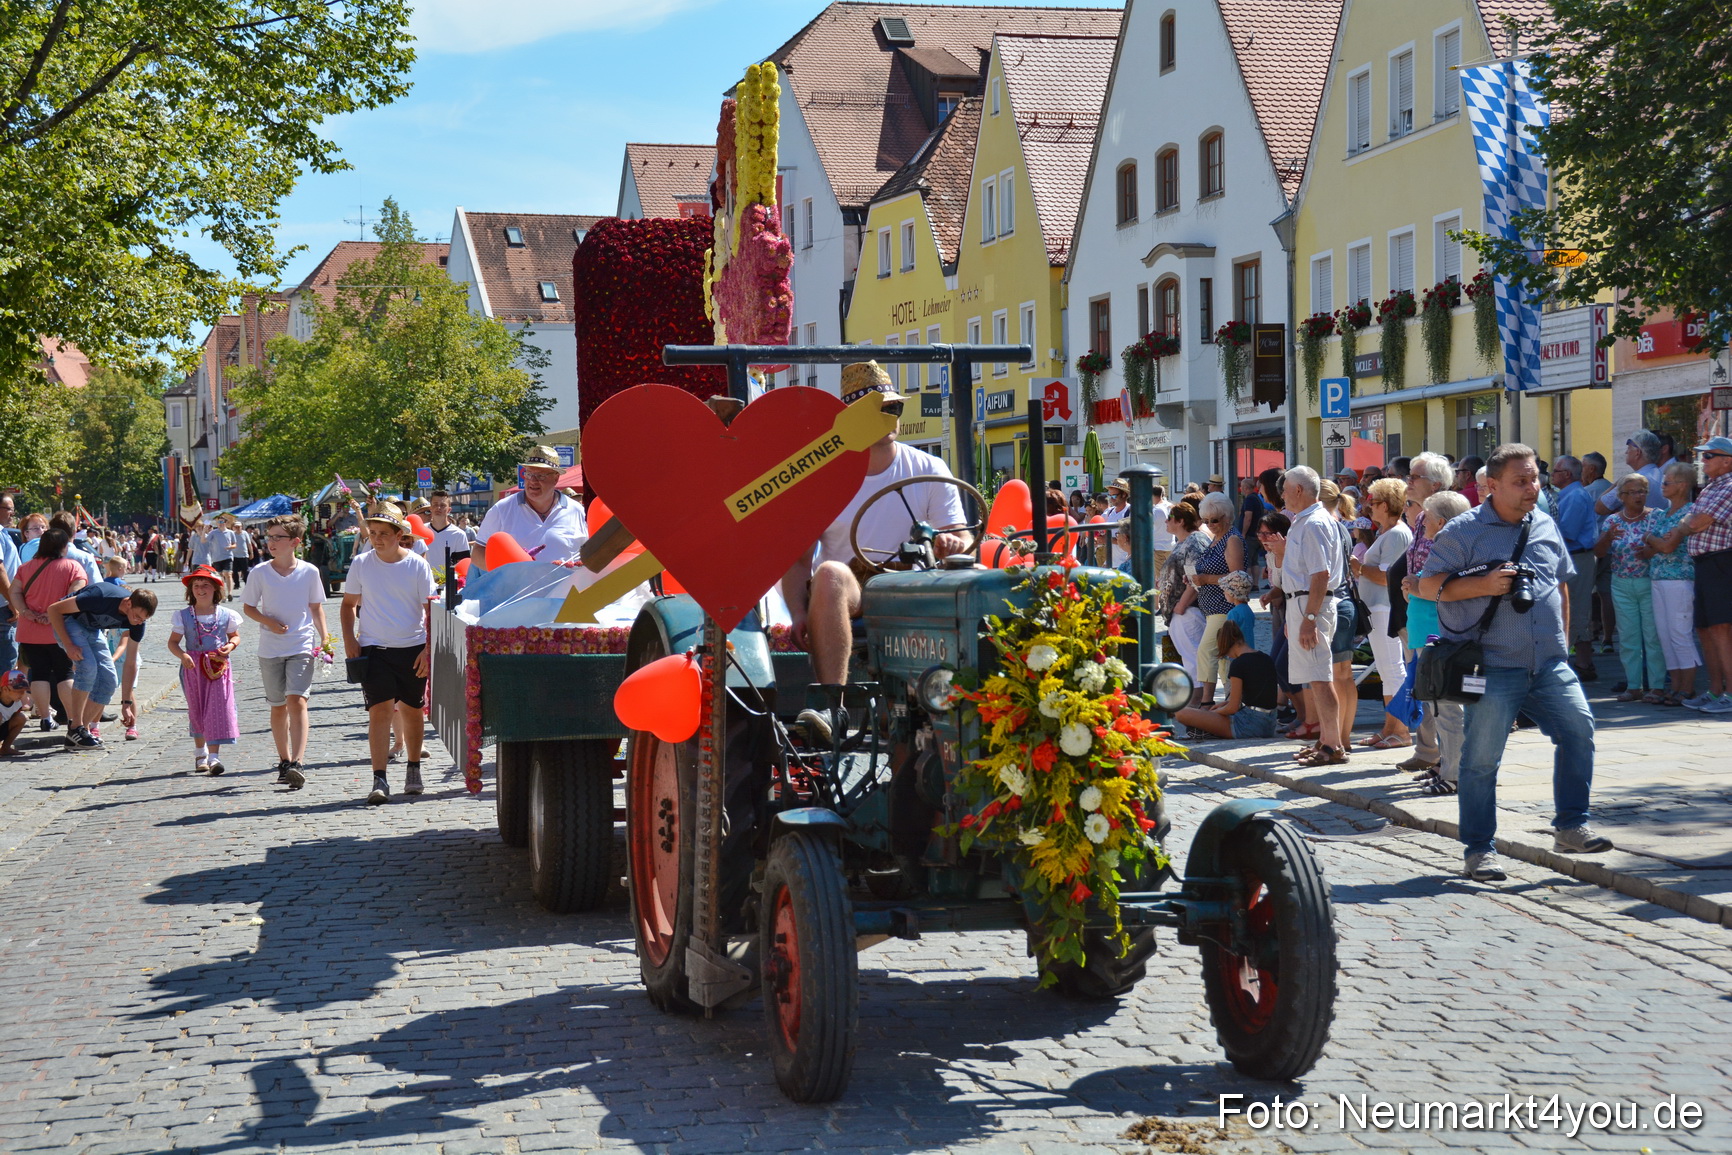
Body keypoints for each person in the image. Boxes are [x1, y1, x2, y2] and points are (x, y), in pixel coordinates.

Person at [1419, 442, 1610, 883]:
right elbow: (1427, 585)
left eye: (1535, 479)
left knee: (1579, 730)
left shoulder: (1544, 522)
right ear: (1491, 486)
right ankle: (1479, 851)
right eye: (1520, 481)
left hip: (1547, 662)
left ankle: (1570, 826)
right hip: (1493, 664)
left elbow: (1560, 584)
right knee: (1482, 760)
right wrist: (1485, 584)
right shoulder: (1464, 530)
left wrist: (1562, 643)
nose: (1531, 488)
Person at [782, 364, 969, 737]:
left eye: (894, 408)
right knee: (830, 573)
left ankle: (955, 708)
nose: (891, 418)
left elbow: (961, 539)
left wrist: (951, 543)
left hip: (913, 586)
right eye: (880, 410)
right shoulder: (822, 477)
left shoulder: (929, 468)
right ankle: (832, 708)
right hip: (853, 588)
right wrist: (800, 612)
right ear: (854, 420)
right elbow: (798, 561)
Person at [342, 505, 436, 804]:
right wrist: (349, 640)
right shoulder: (361, 563)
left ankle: (413, 767)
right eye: (373, 533)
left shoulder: (417, 566)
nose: (377, 539)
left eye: (384, 533)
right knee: (379, 712)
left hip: (411, 648)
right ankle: (379, 778)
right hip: (374, 648)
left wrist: (428, 649)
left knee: (411, 710)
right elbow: (347, 605)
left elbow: (430, 609)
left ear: (400, 535)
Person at [242, 515, 328, 789]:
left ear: (295, 542)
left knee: (297, 701)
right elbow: (249, 607)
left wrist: (325, 638)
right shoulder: (259, 572)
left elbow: (316, 607)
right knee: (278, 706)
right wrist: (270, 623)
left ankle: (298, 762)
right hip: (270, 648)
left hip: (301, 644)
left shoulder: (309, 572)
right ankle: (284, 760)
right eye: (269, 537)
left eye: (277, 538)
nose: (271, 543)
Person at [1271, 467, 1348, 766]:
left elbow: (1320, 574)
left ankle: (1333, 744)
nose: (1283, 494)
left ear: (1299, 490)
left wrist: (1309, 618)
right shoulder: (1306, 521)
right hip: (1302, 603)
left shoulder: (1314, 522)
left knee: (1320, 677)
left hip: (1310, 603)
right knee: (1315, 678)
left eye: (1286, 489)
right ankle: (1326, 739)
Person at [45, 580, 156, 750]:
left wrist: (126, 703)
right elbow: (54, 609)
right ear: (128, 603)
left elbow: (131, 661)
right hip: (69, 621)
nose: (139, 622)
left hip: (91, 629)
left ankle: (78, 734)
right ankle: (75, 726)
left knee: (109, 679)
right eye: (137, 617)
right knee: (88, 667)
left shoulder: (138, 623)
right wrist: (68, 645)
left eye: (144, 619)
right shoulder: (100, 596)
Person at [1350, 477, 1413, 749]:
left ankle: (1400, 730)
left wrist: (1359, 567)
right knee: (1389, 670)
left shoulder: (1397, 533)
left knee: (1393, 670)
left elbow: (1387, 576)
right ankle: (1390, 727)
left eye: (1373, 502)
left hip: (1386, 607)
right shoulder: (1388, 532)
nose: (1368, 507)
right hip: (1378, 608)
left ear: (1386, 505)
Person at [9, 527, 85, 739]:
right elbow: (76, 596)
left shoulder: (26, 568)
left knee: (39, 673)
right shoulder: (72, 567)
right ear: (63, 546)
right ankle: (73, 720)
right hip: (59, 630)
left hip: (30, 629)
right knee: (65, 674)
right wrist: (52, 615)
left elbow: (14, 591)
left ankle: (45, 717)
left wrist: (25, 612)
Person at [1594, 474, 1664, 702]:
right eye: (1633, 492)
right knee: (1628, 638)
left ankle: (1657, 687)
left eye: (1642, 491)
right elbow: (1599, 552)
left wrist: (1651, 550)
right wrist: (1606, 537)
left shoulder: (1656, 517)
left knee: (1653, 637)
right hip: (1621, 583)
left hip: (1649, 582)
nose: (1639, 496)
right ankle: (1634, 686)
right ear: (1622, 496)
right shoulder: (1613, 521)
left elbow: (1666, 547)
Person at [165, 565, 240, 775]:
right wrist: (183, 655)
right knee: (196, 709)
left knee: (218, 708)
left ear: (216, 588)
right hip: (193, 668)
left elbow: (235, 636)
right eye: (196, 586)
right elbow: (173, 642)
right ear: (191, 591)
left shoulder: (226, 614)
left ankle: (215, 757)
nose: (201, 589)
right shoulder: (184, 616)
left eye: (205, 585)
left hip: (218, 667)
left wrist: (230, 645)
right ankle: (201, 753)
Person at [1640, 461, 1702, 707]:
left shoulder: (1689, 512)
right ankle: (1675, 686)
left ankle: (1687, 687)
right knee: (1665, 634)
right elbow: (1648, 551)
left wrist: (1651, 539)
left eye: (1667, 482)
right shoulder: (1661, 514)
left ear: (1682, 485)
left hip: (1679, 579)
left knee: (1679, 633)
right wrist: (1655, 541)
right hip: (1658, 577)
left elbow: (1666, 546)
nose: (1662, 486)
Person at [1680, 435, 1732, 712]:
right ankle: (1715, 690)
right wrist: (1689, 522)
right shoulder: (1713, 487)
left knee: (1721, 629)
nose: (1703, 460)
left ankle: (1730, 695)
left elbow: (1695, 522)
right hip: (1705, 564)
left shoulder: (1729, 486)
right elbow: (1691, 523)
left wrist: (1689, 522)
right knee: (1705, 628)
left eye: (1709, 456)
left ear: (1728, 461)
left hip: (1722, 563)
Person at [475, 446, 588, 565]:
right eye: (529, 474)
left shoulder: (577, 511)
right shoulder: (502, 509)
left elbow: (589, 554)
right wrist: (507, 571)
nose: (533, 480)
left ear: (556, 478)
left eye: (540, 476)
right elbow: (478, 553)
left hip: (566, 583)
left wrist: (578, 567)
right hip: (519, 584)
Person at [1172, 620, 1277, 740]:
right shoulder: (1266, 658)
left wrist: (1210, 714)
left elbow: (1233, 707)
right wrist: (1222, 705)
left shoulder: (1238, 664)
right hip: (1269, 723)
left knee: (1181, 713)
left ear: (1229, 645)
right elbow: (1257, 696)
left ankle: (1206, 729)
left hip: (1248, 724)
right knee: (1215, 710)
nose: (1229, 656)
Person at [1189, 492, 1245, 706]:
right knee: (1222, 657)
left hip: (1225, 606)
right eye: (1206, 521)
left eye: (1215, 520)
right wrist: (1195, 579)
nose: (1210, 524)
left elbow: (1237, 577)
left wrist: (1206, 578)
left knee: (1206, 651)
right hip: (1211, 608)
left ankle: (1206, 700)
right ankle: (1230, 699)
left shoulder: (1231, 539)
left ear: (1227, 517)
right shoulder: (1217, 538)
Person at [1550, 455, 1600, 682]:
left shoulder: (1576, 496)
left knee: (1578, 609)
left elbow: (1566, 532)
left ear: (1567, 475)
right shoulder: (1569, 494)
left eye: (1556, 471)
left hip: (1577, 558)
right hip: (1573, 557)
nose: (1552, 475)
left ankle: (1583, 662)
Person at [1157, 503, 1211, 677]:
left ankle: (1199, 700)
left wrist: (1181, 605)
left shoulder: (1194, 541)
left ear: (1180, 521)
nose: (1166, 521)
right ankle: (1194, 699)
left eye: (1170, 518)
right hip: (1180, 612)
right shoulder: (1183, 542)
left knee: (1193, 659)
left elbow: (1196, 577)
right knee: (1188, 659)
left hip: (1188, 610)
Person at [1598, 429, 1665, 514]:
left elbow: (1600, 507)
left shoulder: (1632, 482)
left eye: (1629, 447)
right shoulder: (1664, 477)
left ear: (1637, 452)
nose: (1626, 452)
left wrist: (1617, 483)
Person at [426, 489, 471, 572]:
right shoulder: (422, 531)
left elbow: (463, 564)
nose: (438, 508)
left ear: (449, 510)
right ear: (430, 508)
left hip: (448, 582)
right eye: (435, 504)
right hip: (424, 581)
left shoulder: (459, 534)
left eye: (442, 505)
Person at [1237, 476, 1268, 587]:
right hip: (1256, 534)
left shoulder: (1249, 499)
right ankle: (1255, 584)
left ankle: (1248, 586)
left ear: (1245, 488)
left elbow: (1248, 517)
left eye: (1241, 486)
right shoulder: (1257, 498)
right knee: (1255, 561)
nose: (1240, 488)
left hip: (1249, 535)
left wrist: (1243, 533)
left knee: (1248, 561)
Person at [0, 670, 29, 756]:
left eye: (24, 691)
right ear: (5, 689)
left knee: (21, 718)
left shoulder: (17, 704)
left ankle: (5, 748)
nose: (22, 694)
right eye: (18, 691)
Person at [1102, 479, 1130, 566]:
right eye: (1109, 496)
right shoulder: (1109, 512)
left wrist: (1106, 540)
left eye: (1114, 496)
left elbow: (1131, 540)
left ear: (1124, 494)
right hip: (1110, 563)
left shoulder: (1130, 512)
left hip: (1125, 563)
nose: (1111, 499)